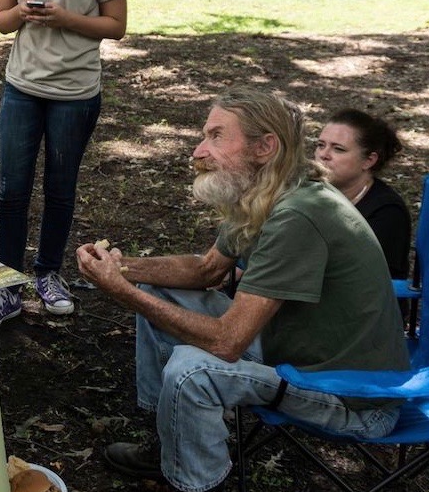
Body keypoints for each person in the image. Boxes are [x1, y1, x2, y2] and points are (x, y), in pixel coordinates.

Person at [76, 89, 410, 492]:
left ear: (265, 146)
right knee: (157, 288)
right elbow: (206, 270)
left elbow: (228, 343)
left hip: (351, 397)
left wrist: (122, 291)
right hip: (291, 350)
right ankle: (168, 438)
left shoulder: (299, 215)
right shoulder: (262, 191)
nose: (199, 151)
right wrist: (122, 268)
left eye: (217, 136)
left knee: (190, 370)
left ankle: (196, 483)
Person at [0, 0, 130, 328]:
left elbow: (116, 26)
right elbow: (1, 22)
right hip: (22, 87)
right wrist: (23, 14)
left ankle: (48, 274)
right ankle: (6, 286)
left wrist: (66, 18)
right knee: (12, 190)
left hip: (75, 92)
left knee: (59, 189)